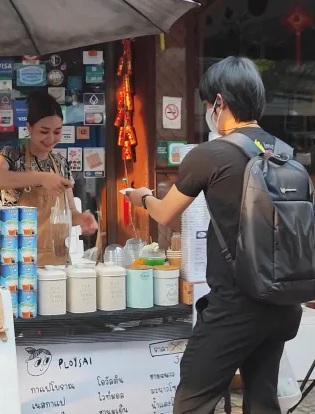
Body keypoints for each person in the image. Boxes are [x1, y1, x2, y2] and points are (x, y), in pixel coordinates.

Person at [125, 57, 302, 413]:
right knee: (262, 400)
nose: (209, 112)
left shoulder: (209, 155)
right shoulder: (284, 152)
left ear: (219, 103)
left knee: (193, 399)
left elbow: (164, 212)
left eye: (208, 105)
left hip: (236, 304)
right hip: (283, 302)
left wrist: (141, 196)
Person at [0, 91, 98, 266]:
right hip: (17, 263)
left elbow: (69, 212)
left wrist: (81, 219)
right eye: (44, 131)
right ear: (29, 128)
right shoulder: (11, 155)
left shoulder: (61, 164)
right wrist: (40, 178)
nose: (51, 138)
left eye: (57, 132)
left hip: (56, 262)